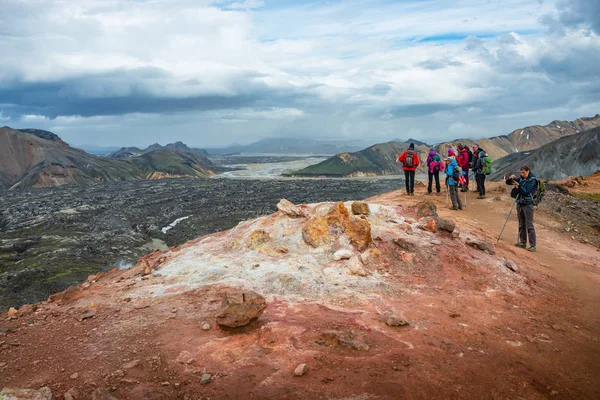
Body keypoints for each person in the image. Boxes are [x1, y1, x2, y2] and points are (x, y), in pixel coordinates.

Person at [505, 166, 538, 252]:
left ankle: (533, 245)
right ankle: (523, 242)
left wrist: (519, 185)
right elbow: (508, 183)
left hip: (528, 204)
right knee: (521, 223)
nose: (522, 174)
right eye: (521, 173)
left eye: (523, 172)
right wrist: (510, 178)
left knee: (529, 225)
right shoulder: (522, 179)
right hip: (520, 203)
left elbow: (527, 192)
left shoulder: (533, 180)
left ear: (528, 171)